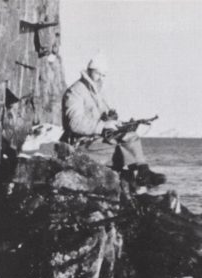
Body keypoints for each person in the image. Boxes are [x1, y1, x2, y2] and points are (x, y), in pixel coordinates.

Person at [62, 54, 166, 190]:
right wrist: (102, 126)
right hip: (82, 144)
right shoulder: (75, 92)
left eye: (104, 75)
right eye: (99, 74)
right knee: (121, 147)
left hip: (97, 141)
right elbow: (74, 123)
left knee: (131, 136)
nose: (101, 78)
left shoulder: (97, 92)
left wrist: (117, 123)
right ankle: (139, 176)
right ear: (90, 70)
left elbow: (103, 119)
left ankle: (143, 171)